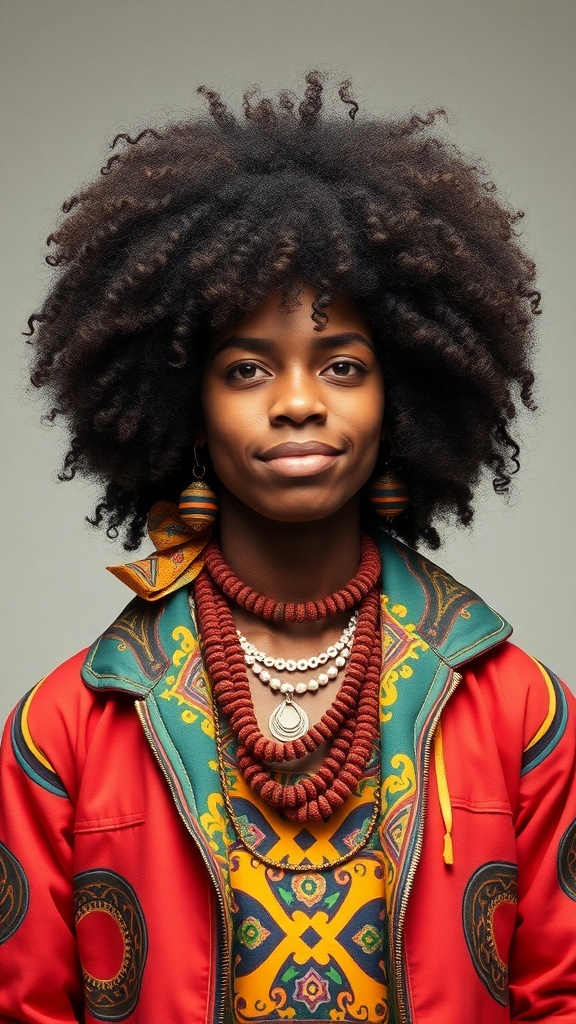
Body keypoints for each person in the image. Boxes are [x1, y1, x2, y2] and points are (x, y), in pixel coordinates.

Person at [1, 70, 574, 1024]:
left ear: (404, 399)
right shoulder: (62, 732)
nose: (300, 399)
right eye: (247, 368)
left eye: (342, 364)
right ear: (185, 407)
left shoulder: (525, 715)